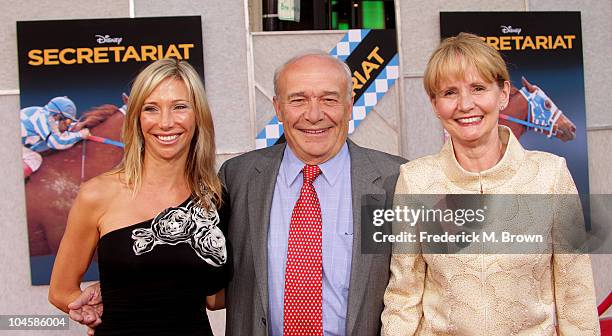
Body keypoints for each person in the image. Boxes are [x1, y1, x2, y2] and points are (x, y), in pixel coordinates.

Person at [70, 51, 406, 335]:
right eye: (298, 100)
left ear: (349, 105)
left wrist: (461, 154)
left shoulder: (398, 179)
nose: (314, 115)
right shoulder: (236, 178)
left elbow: (449, 278)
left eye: (329, 100)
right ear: (278, 108)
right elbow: (204, 274)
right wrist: (125, 290)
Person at [381, 33, 600, 335]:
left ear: (503, 93)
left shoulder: (551, 175)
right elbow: (403, 294)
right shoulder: (416, 180)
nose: (465, 104)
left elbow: (575, 292)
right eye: (449, 93)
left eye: (479, 88)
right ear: (434, 104)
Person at [48, 58, 230, 336]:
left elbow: (215, 298)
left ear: (198, 116)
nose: (166, 122)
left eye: (180, 107)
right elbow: (61, 291)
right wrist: (92, 307)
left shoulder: (213, 198)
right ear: (136, 118)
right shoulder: (98, 194)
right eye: (151, 109)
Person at [21, 96, 90, 178]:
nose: (67, 125)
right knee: (34, 158)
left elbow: (56, 131)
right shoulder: (45, 119)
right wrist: (80, 135)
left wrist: (76, 127)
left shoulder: (46, 115)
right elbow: (56, 142)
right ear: (57, 116)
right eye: (68, 121)